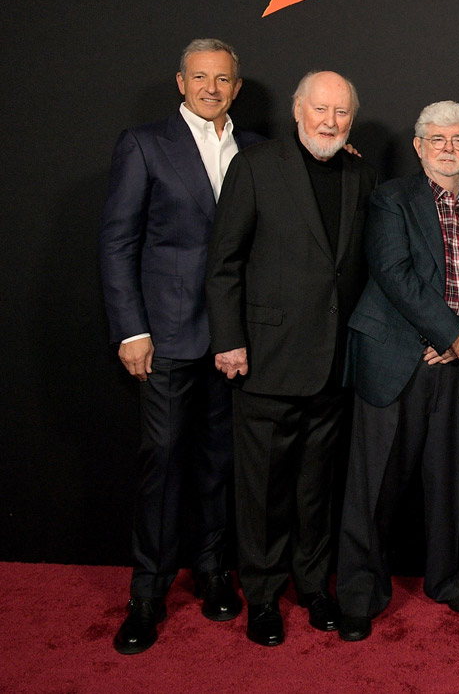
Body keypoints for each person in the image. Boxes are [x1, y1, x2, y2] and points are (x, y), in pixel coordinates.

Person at [205, 70, 377, 647]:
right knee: (263, 490)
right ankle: (261, 594)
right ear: (298, 110)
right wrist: (228, 339)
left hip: (334, 362)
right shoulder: (255, 167)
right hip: (267, 359)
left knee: (316, 486)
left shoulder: (359, 170)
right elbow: (225, 261)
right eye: (321, 109)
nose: (331, 122)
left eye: (342, 113)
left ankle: (312, 585)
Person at [100, 38, 259, 654]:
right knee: (162, 464)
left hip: (233, 340)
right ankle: (147, 594)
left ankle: (215, 570)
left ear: (236, 88)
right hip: (164, 337)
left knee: (220, 461)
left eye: (222, 79)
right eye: (200, 77)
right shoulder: (144, 144)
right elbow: (117, 242)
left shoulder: (256, 150)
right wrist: (130, 329)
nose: (211, 88)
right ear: (180, 81)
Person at [336, 101, 459, 643]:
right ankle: (358, 594)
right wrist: (451, 332)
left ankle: (446, 580)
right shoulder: (391, 198)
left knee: (450, 480)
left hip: (458, 361)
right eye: (437, 139)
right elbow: (393, 272)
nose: (449, 148)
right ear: (420, 146)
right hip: (393, 357)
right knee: (372, 486)